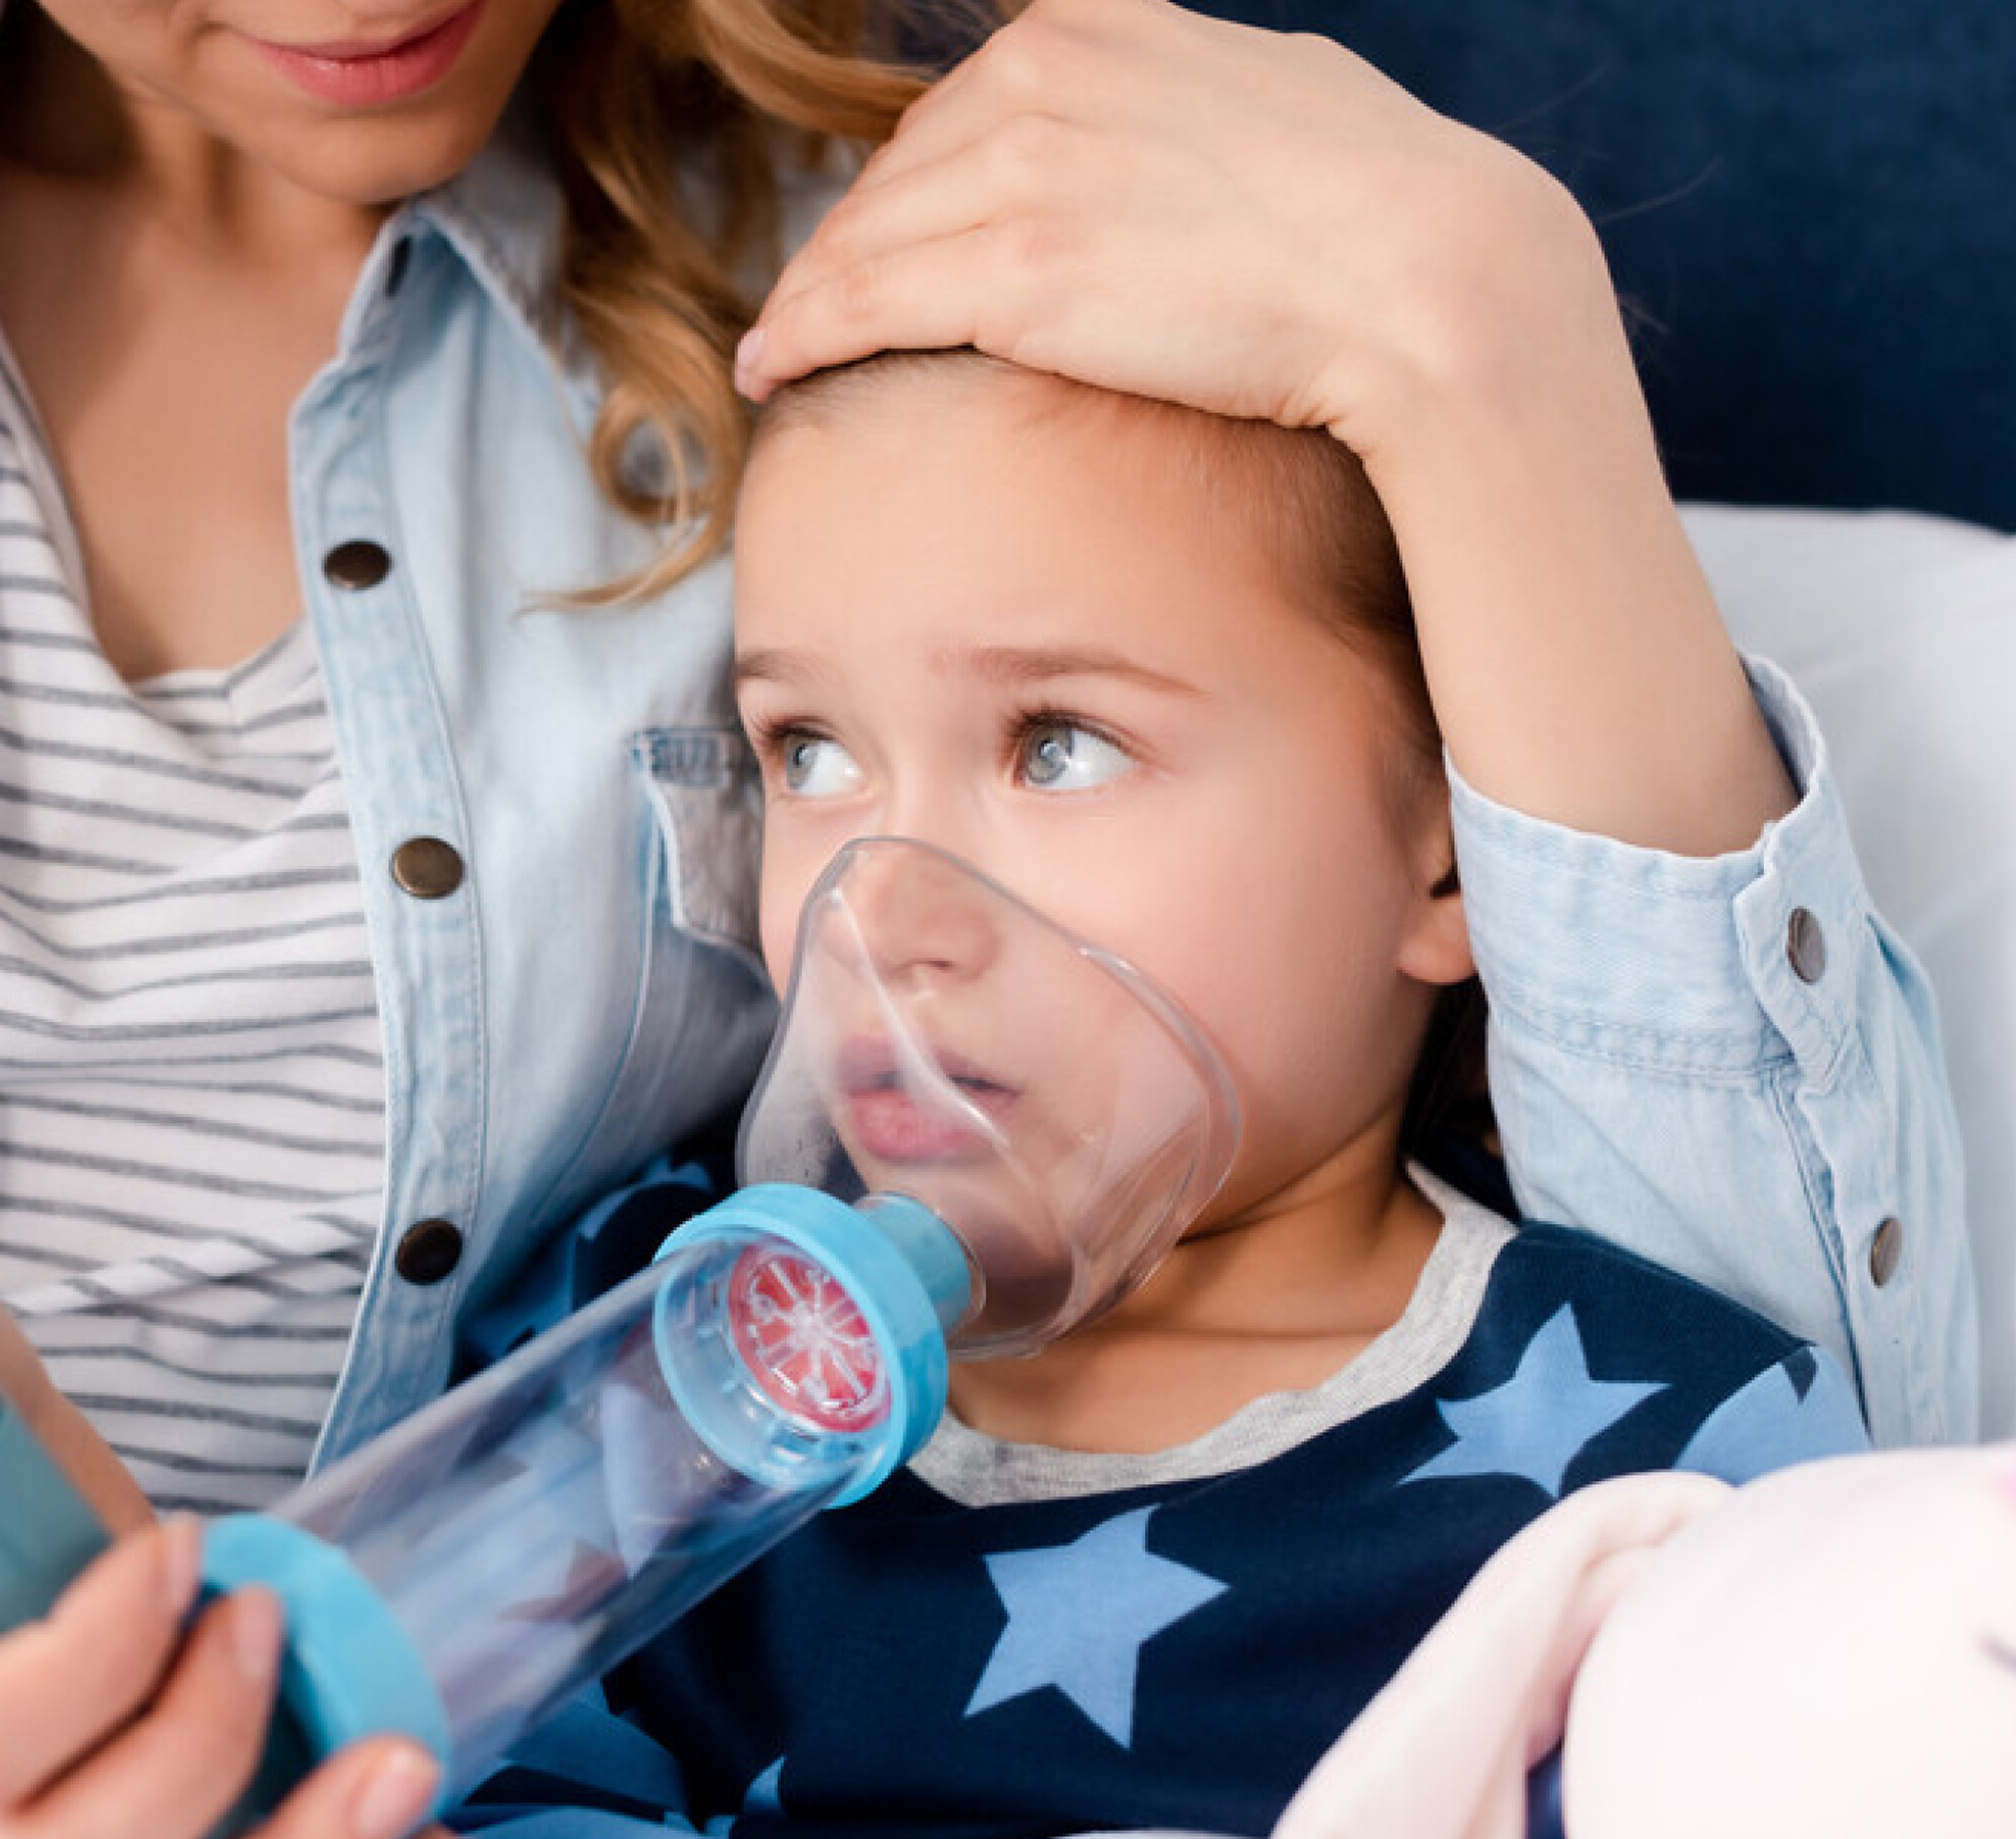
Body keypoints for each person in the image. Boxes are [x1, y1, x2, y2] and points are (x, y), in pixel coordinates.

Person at [0, 0, 1962, 1834]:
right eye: (804, 756)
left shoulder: (891, 301)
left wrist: (1482, 337)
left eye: (1038, 750)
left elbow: (1833, 1544)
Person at [449, 348, 1874, 1839]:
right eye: (811, 751)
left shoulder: (1663, 1445)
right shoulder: (649, 1345)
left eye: (1057, 748)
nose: (879, 915)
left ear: (1448, 854)